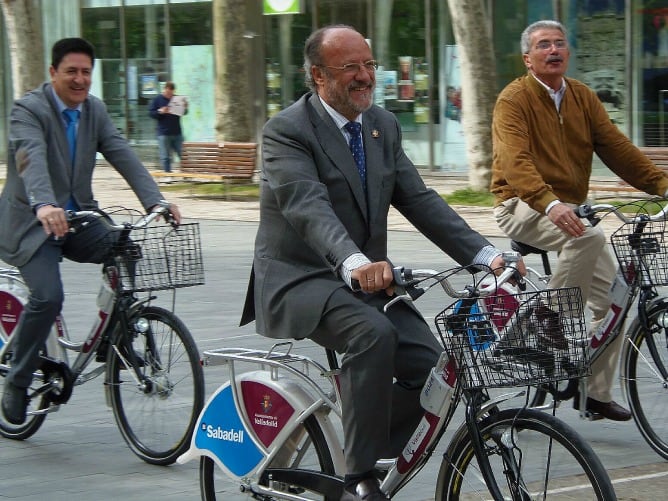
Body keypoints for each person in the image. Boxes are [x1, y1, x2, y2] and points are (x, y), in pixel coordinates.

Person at [240, 25, 524, 501]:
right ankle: (359, 476)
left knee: (435, 367)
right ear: (318, 75)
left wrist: (488, 256)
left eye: (369, 65)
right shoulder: (286, 131)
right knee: (373, 335)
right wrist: (353, 260)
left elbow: (420, 200)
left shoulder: (382, 126)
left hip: (363, 280)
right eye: (350, 67)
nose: (364, 76)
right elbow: (308, 208)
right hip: (301, 278)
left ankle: (366, 436)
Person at [490, 20, 668, 421]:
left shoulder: (583, 98)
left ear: (568, 52)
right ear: (528, 58)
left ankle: (594, 394)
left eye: (559, 43)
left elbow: (618, 148)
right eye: (543, 45)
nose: (553, 50)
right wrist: (550, 204)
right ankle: (547, 318)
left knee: (615, 295)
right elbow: (515, 163)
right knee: (587, 237)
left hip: (573, 209)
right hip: (522, 204)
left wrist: (662, 185)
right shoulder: (513, 99)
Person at [0, 37, 181, 426]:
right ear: (53, 73)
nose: (80, 80)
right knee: (48, 297)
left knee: (125, 246)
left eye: (86, 72)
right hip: (32, 224)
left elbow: (122, 153)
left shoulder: (93, 110)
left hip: (77, 219)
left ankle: (114, 337)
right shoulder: (27, 110)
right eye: (71, 72)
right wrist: (44, 205)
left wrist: (156, 202)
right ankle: (17, 380)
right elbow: (29, 158)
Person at [149, 81, 187, 173]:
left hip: (177, 132)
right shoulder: (158, 99)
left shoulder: (177, 99)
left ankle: (186, 173)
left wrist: (184, 108)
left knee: (183, 154)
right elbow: (151, 113)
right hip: (163, 133)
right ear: (165, 89)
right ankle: (167, 174)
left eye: (171, 91)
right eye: (168, 91)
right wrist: (160, 112)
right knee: (165, 156)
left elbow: (184, 113)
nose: (170, 94)